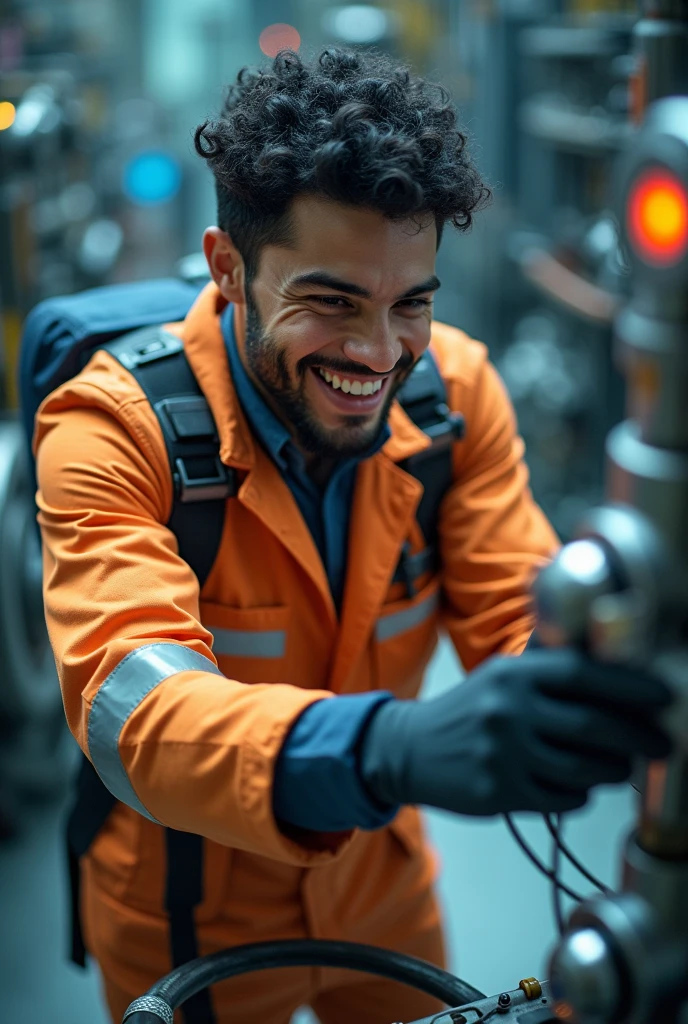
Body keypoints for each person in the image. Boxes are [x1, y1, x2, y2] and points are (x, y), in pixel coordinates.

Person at [34, 48, 671, 1024]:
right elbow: (139, 718)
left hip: (381, 887)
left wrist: (586, 670)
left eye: (409, 302)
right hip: (189, 908)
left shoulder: (453, 398)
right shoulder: (113, 427)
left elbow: (515, 610)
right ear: (227, 268)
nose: (379, 354)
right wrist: (388, 748)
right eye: (330, 301)